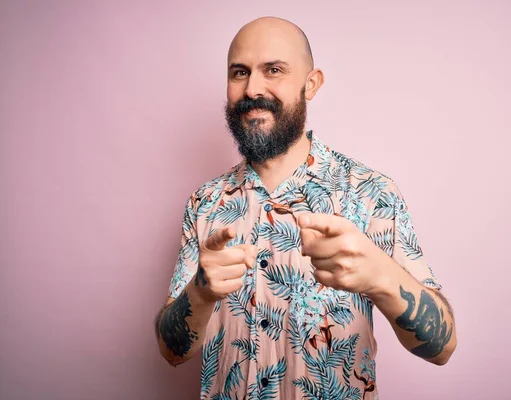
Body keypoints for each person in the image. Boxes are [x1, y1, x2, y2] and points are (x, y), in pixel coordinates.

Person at [154, 16, 457, 399]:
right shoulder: (205, 203)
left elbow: (442, 348)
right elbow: (171, 352)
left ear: (310, 84)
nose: (253, 88)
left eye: (274, 70)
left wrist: (381, 276)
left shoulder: (370, 193)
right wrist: (199, 293)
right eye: (239, 73)